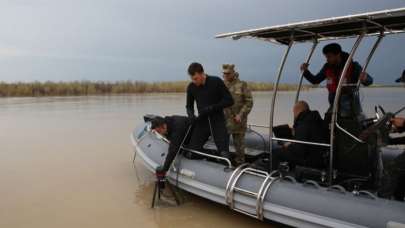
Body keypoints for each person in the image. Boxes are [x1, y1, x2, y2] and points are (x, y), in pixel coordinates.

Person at [300, 43, 373, 118]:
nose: (327, 59)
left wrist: (365, 78)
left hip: (351, 110)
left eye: (329, 57)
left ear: (338, 55)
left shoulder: (354, 66)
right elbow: (315, 80)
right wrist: (305, 72)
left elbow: (370, 81)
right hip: (333, 108)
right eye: (326, 57)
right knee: (326, 121)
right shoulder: (327, 67)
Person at [186, 62, 234, 160]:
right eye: (192, 79)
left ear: (202, 73)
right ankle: (212, 157)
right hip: (202, 122)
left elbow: (229, 100)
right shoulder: (191, 87)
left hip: (218, 121)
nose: (194, 81)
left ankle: (223, 160)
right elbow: (189, 106)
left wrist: (213, 107)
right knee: (192, 152)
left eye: (195, 78)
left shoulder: (216, 81)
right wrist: (191, 115)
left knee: (224, 153)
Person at [272, 101, 329, 169]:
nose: (294, 115)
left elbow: (300, 151)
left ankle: (272, 174)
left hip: (310, 160)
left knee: (275, 152)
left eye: (294, 112)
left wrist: (288, 145)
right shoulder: (317, 120)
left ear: (297, 110)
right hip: (320, 157)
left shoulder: (303, 124)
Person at [222, 64, 253, 165]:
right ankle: (224, 162)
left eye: (227, 73)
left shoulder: (242, 84)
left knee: (239, 145)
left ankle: (240, 163)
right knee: (223, 143)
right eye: (224, 73)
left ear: (233, 73)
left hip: (238, 121)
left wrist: (241, 114)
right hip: (225, 120)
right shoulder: (222, 85)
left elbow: (249, 102)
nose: (225, 75)